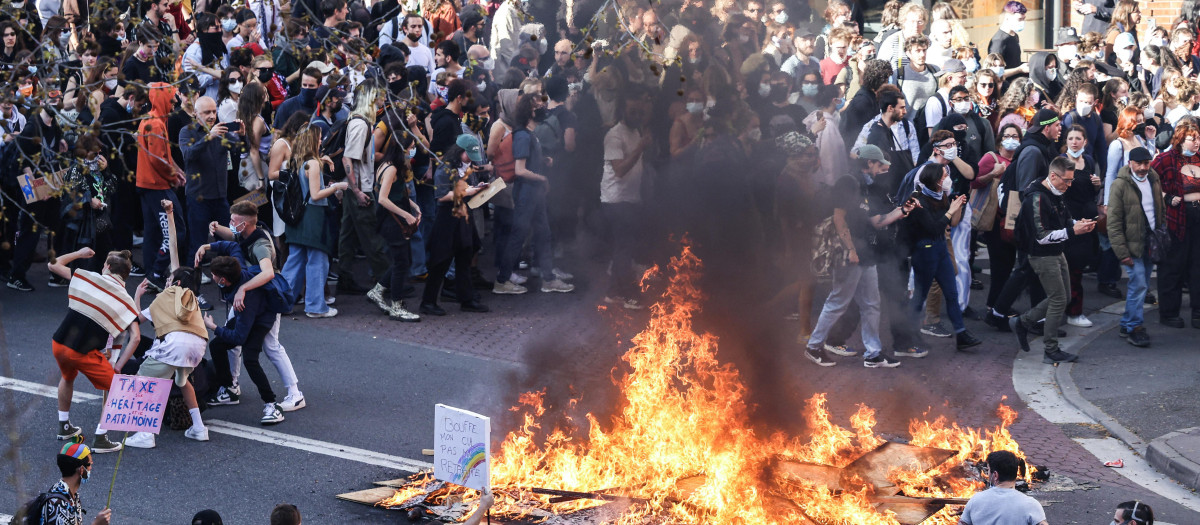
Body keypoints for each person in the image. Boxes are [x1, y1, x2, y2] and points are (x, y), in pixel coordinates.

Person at [804, 145, 917, 368]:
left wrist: (902, 211)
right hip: (851, 254)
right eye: (878, 164)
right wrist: (851, 250)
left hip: (866, 254)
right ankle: (813, 346)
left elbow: (876, 221)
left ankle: (873, 353)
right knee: (838, 300)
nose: (881, 169)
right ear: (869, 163)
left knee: (871, 304)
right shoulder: (849, 182)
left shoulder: (866, 186)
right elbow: (839, 219)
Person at [47, 249, 139, 453]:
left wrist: (79, 253)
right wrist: (119, 365)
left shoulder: (85, 277)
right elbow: (136, 337)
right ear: (125, 275)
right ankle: (101, 438)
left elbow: (53, 264)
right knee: (116, 388)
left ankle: (64, 426)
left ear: (106, 266)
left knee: (67, 377)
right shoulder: (126, 301)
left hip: (59, 344)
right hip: (83, 353)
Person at [1010, 157, 1096, 363]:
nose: (1069, 185)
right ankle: (1050, 349)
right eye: (1066, 181)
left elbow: (1063, 220)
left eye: (1071, 181)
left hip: (1056, 252)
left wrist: (1077, 224)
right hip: (1043, 255)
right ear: (1053, 176)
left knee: (1063, 297)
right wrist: (1072, 231)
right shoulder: (1038, 198)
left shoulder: (1054, 192)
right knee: (1058, 299)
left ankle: (1023, 322)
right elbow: (1041, 235)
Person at [124, 266, 212, 448]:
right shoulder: (193, 300)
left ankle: (145, 433)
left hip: (174, 345)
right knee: (183, 381)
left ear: (177, 283)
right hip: (198, 345)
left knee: (143, 381)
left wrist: (137, 295)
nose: (166, 284)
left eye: (169, 280)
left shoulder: (165, 296)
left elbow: (135, 320)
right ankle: (198, 427)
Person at [904, 161, 983, 351]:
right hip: (925, 251)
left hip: (940, 248)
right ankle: (909, 334)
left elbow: (949, 225)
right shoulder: (918, 200)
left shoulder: (941, 196)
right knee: (920, 295)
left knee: (951, 293)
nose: (947, 179)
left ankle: (961, 334)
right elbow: (933, 227)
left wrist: (956, 208)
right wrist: (950, 210)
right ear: (935, 180)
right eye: (944, 176)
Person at [204, 255, 287, 424]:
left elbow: (240, 337)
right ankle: (229, 389)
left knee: (250, 359)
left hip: (261, 320)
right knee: (217, 345)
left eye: (213, 275)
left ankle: (272, 404)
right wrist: (208, 248)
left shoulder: (245, 301)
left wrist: (213, 327)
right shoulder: (237, 274)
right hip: (250, 315)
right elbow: (232, 248)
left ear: (222, 279)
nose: (211, 277)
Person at [281, 124, 350, 318]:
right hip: (313, 217)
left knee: (294, 261)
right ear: (312, 140)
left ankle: (282, 303)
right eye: (319, 138)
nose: (321, 140)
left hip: (296, 219)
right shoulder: (314, 163)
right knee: (318, 262)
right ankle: (315, 306)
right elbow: (316, 194)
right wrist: (338, 186)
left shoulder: (297, 161)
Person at [420, 137, 491, 315]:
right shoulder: (445, 168)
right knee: (440, 260)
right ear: (459, 150)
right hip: (447, 217)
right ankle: (428, 301)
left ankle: (466, 298)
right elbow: (441, 196)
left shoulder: (465, 166)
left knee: (465, 255)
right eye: (469, 155)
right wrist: (469, 191)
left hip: (462, 215)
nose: (471, 159)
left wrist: (477, 188)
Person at [600, 85, 653, 310]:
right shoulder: (614, 136)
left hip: (630, 199)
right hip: (616, 200)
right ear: (623, 111)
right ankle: (630, 295)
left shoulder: (636, 131)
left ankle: (613, 292)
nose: (637, 117)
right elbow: (620, 169)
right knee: (625, 248)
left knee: (625, 247)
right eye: (633, 112)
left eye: (641, 113)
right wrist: (640, 148)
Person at [337, 80, 392, 294]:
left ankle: (345, 277)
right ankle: (385, 283)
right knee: (372, 238)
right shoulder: (361, 124)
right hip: (361, 188)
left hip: (356, 187)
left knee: (348, 234)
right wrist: (358, 191)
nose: (384, 100)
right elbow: (347, 159)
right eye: (381, 96)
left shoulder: (360, 121)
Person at [1107, 147, 1164, 347]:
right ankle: (1134, 327)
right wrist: (1122, 253)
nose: (1142, 168)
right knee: (1138, 285)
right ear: (1130, 163)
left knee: (1142, 285)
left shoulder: (1153, 179)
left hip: (1150, 243)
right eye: (1138, 163)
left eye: (1146, 163)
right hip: (1132, 246)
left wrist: (1161, 233)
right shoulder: (1119, 186)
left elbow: (1160, 209)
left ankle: (1127, 323)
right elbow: (1113, 223)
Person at [136, 82, 187, 291]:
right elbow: (158, 159)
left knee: (153, 233)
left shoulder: (151, 121)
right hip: (157, 186)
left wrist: (176, 170)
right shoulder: (156, 124)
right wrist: (173, 176)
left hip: (148, 185)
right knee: (176, 231)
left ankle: (152, 275)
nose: (175, 101)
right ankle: (157, 274)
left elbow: (163, 154)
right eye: (172, 97)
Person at [1150, 122, 1200, 329]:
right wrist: (1166, 197)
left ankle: (1198, 312)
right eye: (1192, 139)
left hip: (1197, 217)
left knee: (1198, 266)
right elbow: (1148, 183)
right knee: (1173, 266)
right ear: (1180, 139)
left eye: (1198, 138)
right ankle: (1169, 312)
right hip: (1175, 217)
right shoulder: (1165, 159)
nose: (1197, 143)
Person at [373, 134, 422, 321]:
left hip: (390, 220)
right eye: (410, 148)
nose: (411, 151)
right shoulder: (392, 168)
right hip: (392, 222)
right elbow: (383, 198)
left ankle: (378, 291)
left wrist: (413, 206)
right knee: (402, 262)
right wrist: (407, 215)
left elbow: (394, 193)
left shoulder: (385, 165)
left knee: (402, 260)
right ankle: (397, 305)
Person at [1060, 125, 1102, 328]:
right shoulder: (1061, 163)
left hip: (1088, 221)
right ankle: (1073, 312)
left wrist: (1096, 185)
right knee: (1072, 268)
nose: (1074, 142)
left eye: (1078, 138)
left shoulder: (1090, 161)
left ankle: (1071, 310)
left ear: (1085, 141)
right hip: (1069, 222)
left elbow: (1091, 192)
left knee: (1080, 266)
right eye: (1071, 138)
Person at [958, 450, 1048, 525]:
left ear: (995, 475)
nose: (987, 474)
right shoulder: (1031, 504)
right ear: (1015, 473)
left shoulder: (976, 500)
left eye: (988, 470)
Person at [37, 443, 113, 525]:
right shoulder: (59, 505)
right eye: (90, 464)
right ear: (81, 470)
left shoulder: (69, 494)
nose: (91, 468)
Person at [988, 1, 1028, 69]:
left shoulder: (1014, 36)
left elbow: (1014, 63)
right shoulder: (998, 41)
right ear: (1007, 17)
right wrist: (1020, 69)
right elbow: (994, 73)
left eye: (1023, 19)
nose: (1022, 22)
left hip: (1017, 78)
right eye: (1019, 19)